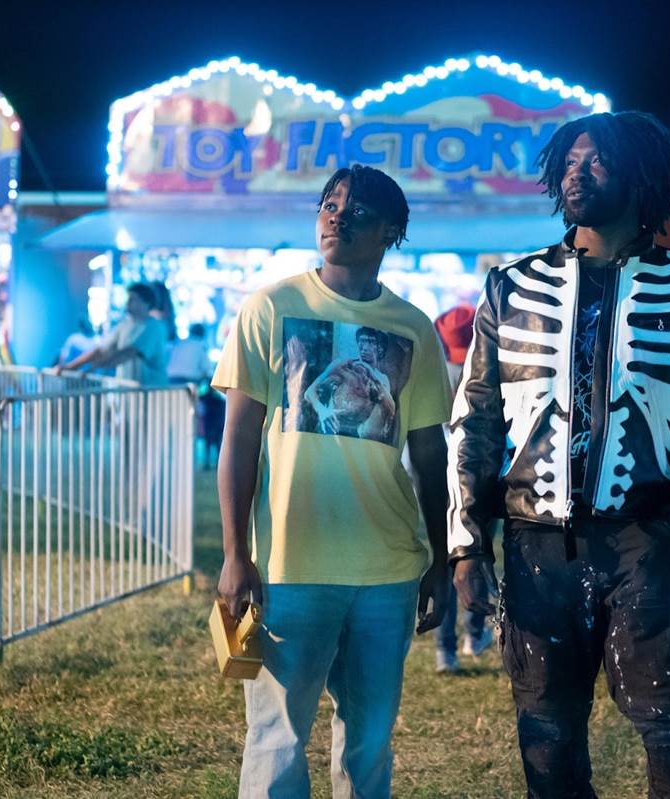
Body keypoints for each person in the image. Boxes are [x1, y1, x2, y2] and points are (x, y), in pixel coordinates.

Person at [448, 111, 670, 799]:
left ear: (639, 175)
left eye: (596, 161)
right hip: (534, 544)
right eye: (568, 161)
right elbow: (475, 420)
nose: (576, 174)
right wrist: (467, 543)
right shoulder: (510, 286)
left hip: (647, 542)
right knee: (547, 735)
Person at [213, 164, 452, 799]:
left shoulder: (413, 327)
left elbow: (431, 452)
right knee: (277, 739)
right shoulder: (270, 308)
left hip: (388, 569)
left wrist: (442, 557)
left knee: (370, 740)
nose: (337, 218)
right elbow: (238, 438)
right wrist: (236, 554)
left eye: (357, 211)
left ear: (390, 231)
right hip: (291, 565)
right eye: (329, 204)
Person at [431, 304, 492, 673]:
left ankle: (446, 651)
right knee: (477, 554)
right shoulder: (484, 370)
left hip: (438, 479)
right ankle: (474, 633)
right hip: (477, 480)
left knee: (444, 560)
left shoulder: (433, 368)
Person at [59, 283, 169, 386]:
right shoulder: (125, 325)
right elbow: (101, 349)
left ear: (147, 303)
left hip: (150, 391)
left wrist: (96, 367)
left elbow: (131, 352)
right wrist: (72, 366)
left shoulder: (154, 327)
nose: (128, 303)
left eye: (133, 299)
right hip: (128, 390)